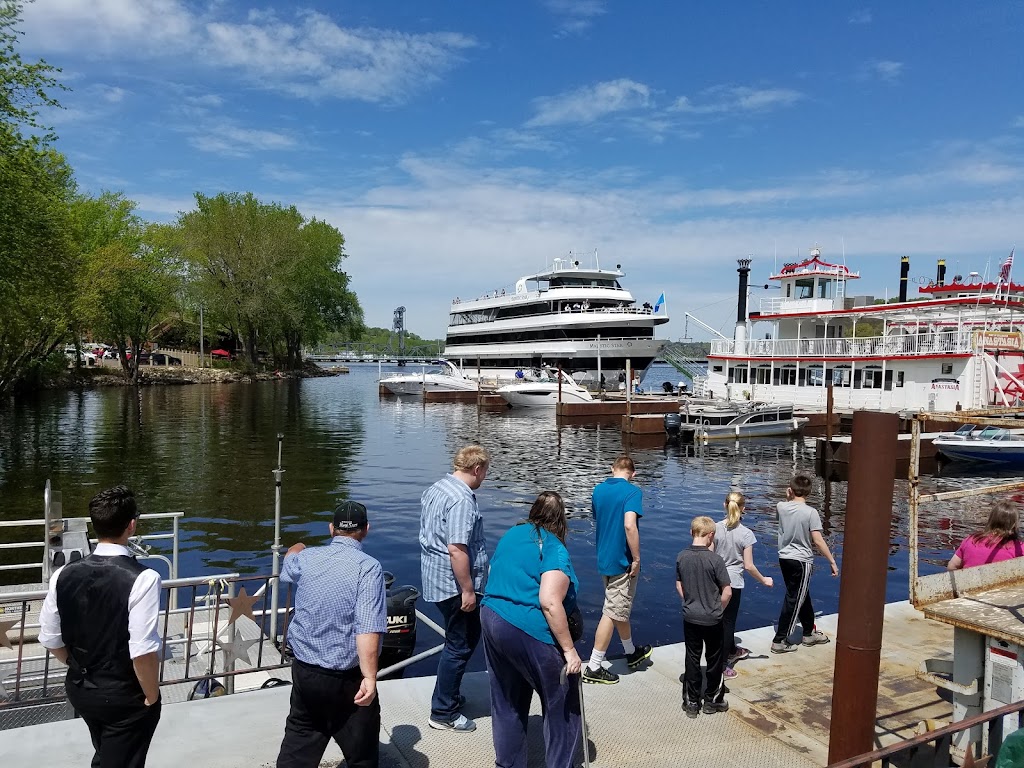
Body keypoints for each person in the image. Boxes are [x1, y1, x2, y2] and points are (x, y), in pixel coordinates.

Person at [38, 486, 162, 768]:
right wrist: (152, 696)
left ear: (95, 525)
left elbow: (50, 637)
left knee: (108, 751)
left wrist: (76, 663)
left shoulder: (62, 574)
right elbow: (142, 651)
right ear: (131, 525)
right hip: (124, 694)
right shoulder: (144, 578)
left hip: (81, 688)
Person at [275, 501, 387, 768]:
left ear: (331, 529)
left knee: (300, 736)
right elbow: (367, 628)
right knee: (361, 750)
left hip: (304, 672)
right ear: (366, 530)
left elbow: (289, 561)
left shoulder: (307, 557)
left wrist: (299, 546)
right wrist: (370, 677)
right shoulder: (368, 568)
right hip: (346, 679)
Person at [481, 492, 582, 768]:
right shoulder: (554, 547)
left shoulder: (512, 534)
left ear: (533, 511)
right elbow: (549, 602)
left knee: (506, 699)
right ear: (561, 520)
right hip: (528, 626)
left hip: (492, 617)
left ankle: (508, 764)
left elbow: (495, 570)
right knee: (562, 702)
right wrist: (570, 651)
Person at [420, 444, 491, 731]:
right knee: (460, 645)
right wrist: (468, 590)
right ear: (476, 469)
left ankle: (448, 694)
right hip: (454, 585)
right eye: (485, 472)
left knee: (456, 640)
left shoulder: (437, 488)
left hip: (434, 579)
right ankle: (443, 712)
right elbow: (457, 549)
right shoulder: (462, 500)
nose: (484, 477)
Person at [584, 455, 652, 684]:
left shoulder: (597, 490)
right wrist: (637, 559)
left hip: (603, 558)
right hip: (622, 561)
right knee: (612, 611)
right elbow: (629, 525)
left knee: (618, 605)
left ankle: (631, 652)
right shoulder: (632, 492)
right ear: (633, 474)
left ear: (612, 469)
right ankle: (594, 665)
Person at [771, 474, 839, 654]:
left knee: (802, 595)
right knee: (794, 598)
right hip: (802, 560)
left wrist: (787, 499)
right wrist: (832, 561)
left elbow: (783, 514)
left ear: (790, 490)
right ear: (809, 493)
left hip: (784, 558)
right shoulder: (811, 513)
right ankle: (780, 639)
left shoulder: (781, 506)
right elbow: (817, 540)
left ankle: (808, 632)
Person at [676, 515, 732, 718]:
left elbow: (679, 585)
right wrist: (718, 608)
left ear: (691, 532)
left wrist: (690, 601)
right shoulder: (715, 560)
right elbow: (727, 591)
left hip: (690, 616)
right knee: (714, 658)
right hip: (713, 617)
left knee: (692, 657)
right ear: (711, 535)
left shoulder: (682, 556)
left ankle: (691, 702)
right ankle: (712, 701)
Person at [714, 491, 773, 678]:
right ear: (743, 509)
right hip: (734, 583)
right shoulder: (746, 534)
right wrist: (764, 579)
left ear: (724, 505)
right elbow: (748, 565)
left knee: (718, 620)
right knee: (728, 622)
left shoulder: (714, 529)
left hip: (716, 580)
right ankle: (722, 664)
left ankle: (731, 649)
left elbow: (709, 557)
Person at [947, 500, 1023, 569]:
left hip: (971, 582)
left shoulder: (971, 540)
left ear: (991, 520)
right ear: (1014, 525)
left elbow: (952, 566)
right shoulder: (1019, 548)